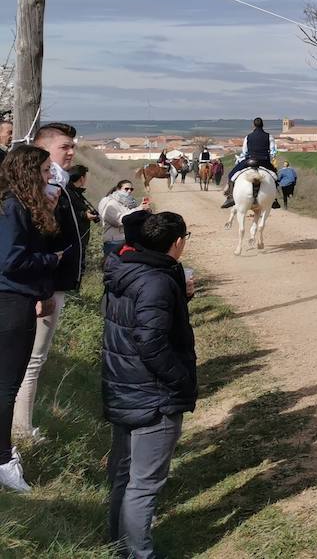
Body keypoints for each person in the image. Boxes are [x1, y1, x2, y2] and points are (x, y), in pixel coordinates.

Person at [103, 210, 197, 557]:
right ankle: (139, 554)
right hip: (153, 394)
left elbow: (137, 321)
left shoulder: (126, 268)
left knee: (124, 477)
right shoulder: (156, 281)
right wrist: (180, 381)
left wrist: (179, 298)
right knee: (143, 485)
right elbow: (151, 341)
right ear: (177, 242)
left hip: (124, 385)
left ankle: (117, 547)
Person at [14, 122, 85, 446]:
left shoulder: (60, 181)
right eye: (64, 147)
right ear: (44, 149)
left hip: (52, 283)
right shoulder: (50, 184)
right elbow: (39, 240)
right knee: (32, 359)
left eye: (73, 146)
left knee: (33, 360)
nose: (71, 152)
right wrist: (43, 290)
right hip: (45, 285)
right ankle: (21, 432)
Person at [0, 144, 65, 492]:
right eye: (43, 171)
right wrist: (50, 261)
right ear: (27, 172)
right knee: (7, 385)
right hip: (10, 301)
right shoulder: (12, 207)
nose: (48, 177)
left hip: (15, 298)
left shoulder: (15, 205)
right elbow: (10, 261)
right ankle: (2, 461)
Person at [220, 117, 277, 208]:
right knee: (275, 176)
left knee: (231, 174)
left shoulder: (248, 137)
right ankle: (274, 199)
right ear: (263, 125)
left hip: (249, 160)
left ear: (253, 125)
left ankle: (230, 196)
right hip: (264, 161)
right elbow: (273, 152)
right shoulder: (269, 136)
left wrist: (241, 160)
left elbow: (244, 152)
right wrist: (270, 159)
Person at [99, 180, 146, 258]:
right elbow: (118, 221)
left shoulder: (126, 203)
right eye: (126, 189)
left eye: (131, 189)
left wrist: (144, 210)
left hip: (126, 240)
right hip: (113, 242)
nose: (129, 191)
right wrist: (138, 209)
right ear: (118, 189)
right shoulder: (110, 203)